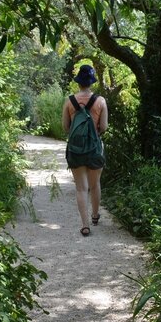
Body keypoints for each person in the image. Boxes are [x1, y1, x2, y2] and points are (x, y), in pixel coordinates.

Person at [62, 65, 108, 237]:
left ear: (78, 82)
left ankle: (85, 225)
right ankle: (95, 216)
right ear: (92, 82)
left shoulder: (69, 101)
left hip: (75, 149)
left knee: (81, 188)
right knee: (95, 184)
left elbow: (66, 127)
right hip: (94, 148)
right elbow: (103, 127)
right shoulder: (101, 101)